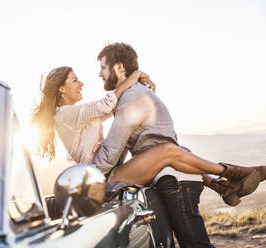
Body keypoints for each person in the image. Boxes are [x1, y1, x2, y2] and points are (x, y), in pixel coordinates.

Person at [30, 65, 264, 207]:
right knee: (168, 152)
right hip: (102, 183)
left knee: (174, 149)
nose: (81, 83)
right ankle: (234, 173)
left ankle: (223, 186)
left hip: (109, 174)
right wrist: (136, 75)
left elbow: (112, 106)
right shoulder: (64, 114)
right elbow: (106, 104)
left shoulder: (77, 115)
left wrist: (139, 86)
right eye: (74, 80)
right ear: (61, 88)